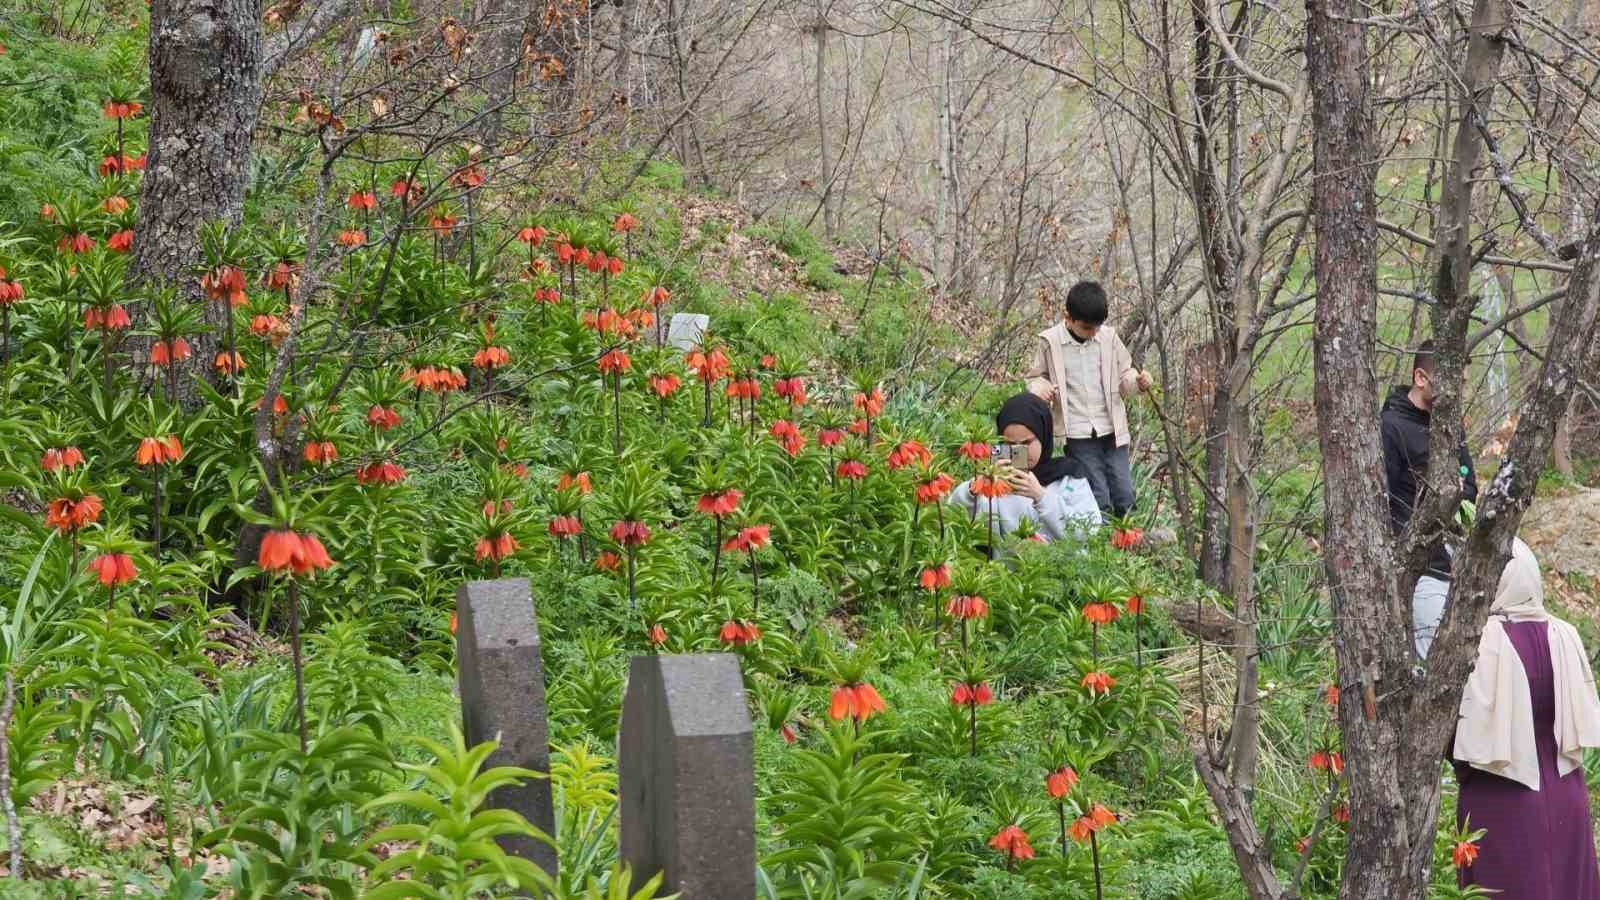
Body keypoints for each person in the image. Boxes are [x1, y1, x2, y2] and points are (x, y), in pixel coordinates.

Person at [1453, 538, 1600, 899]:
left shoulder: (1479, 640)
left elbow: (1454, 736)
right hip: (1567, 791)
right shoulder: (1566, 634)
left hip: (1500, 801)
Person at [1381, 339, 1478, 658]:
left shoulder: (1450, 426)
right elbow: (1382, 506)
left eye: (1462, 383)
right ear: (1421, 378)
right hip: (1420, 576)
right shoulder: (1390, 427)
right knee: (1432, 665)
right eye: (1452, 383)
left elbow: (1470, 489)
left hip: (1458, 569)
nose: (1458, 392)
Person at [1024, 281, 1153, 519]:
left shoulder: (1109, 338)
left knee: (1124, 493)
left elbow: (1126, 373)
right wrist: (1040, 388)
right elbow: (1035, 377)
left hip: (1112, 427)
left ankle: (1130, 545)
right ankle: (1101, 546)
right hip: (1077, 432)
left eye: (1097, 326)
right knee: (1098, 495)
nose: (1093, 332)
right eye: (1086, 327)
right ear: (1068, 317)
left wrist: (1139, 382)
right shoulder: (1050, 342)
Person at [947, 393, 1101, 543]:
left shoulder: (1068, 476)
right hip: (1001, 568)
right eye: (1009, 444)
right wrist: (976, 487)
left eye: (1026, 443)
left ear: (1043, 436)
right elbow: (953, 514)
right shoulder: (997, 475)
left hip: (1056, 567)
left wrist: (1041, 497)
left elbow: (1089, 531)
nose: (1018, 451)